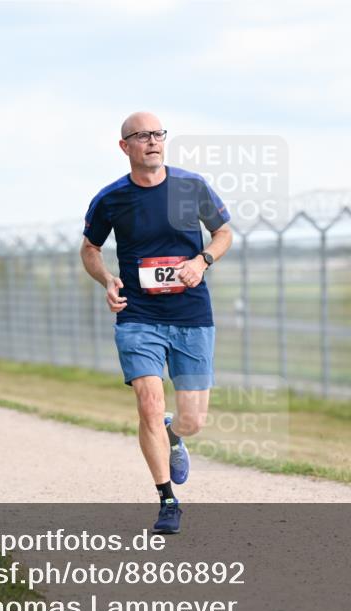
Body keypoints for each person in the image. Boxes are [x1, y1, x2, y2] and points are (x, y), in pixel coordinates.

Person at [80, 112, 233, 534]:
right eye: (141, 136)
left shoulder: (191, 186)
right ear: (124, 146)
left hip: (191, 315)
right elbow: (90, 248)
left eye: (158, 134)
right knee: (149, 402)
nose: (152, 141)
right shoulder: (111, 198)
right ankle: (167, 499)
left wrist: (202, 262)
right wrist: (107, 278)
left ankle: (176, 435)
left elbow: (224, 233)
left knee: (194, 419)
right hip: (138, 316)